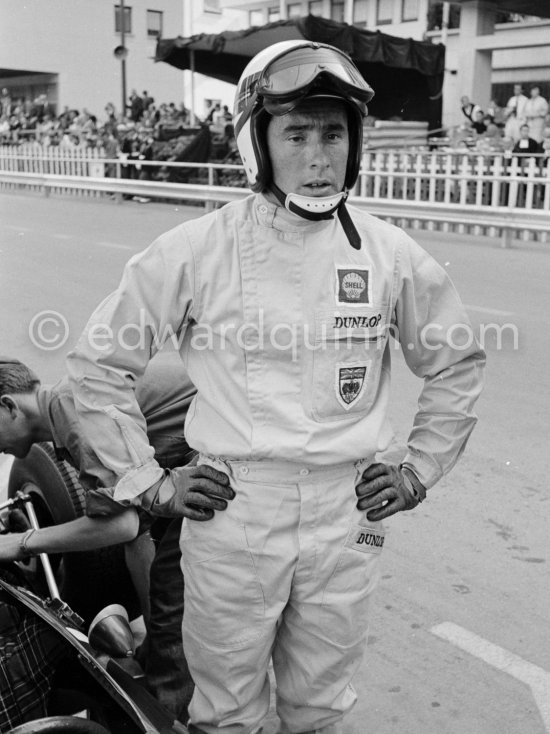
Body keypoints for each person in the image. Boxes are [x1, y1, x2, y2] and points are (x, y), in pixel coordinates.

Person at [66, 40, 485, 734]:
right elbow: (98, 366)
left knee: (321, 710)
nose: (318, 157)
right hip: (235, 514)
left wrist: (416, 472)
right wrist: (149, 482)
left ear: (356, 145)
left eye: (333, 133)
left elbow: (457, 362)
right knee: (226, 713)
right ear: (257, 143)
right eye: (296, 133)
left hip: (346, 513)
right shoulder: (197, 249)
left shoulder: (390, 254)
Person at [0, 354, 198, 722]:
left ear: (8, 406)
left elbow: (119, 525)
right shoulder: (68, 408)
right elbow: (135, 533)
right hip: (195, 460)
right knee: (165, 620)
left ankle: (164, 721)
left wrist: (21, 542)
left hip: (234, 452)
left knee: (173, 629)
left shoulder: (71, 406)